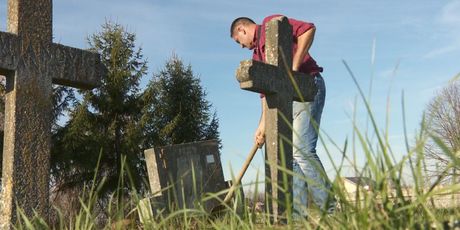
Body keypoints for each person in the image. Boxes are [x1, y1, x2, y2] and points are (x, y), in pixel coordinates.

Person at [230, 15, 334, 217]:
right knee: (289, 156)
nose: (241, 46)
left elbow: (308, 29)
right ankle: (298, 215)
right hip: (288, 98)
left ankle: (329, 208)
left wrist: (293, 69)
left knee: (302, 151)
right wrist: (262, 126)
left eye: (238, 41)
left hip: (308, 87)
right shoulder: (258, 57)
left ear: (242, 29)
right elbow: (265, 94)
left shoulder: (273, 24)